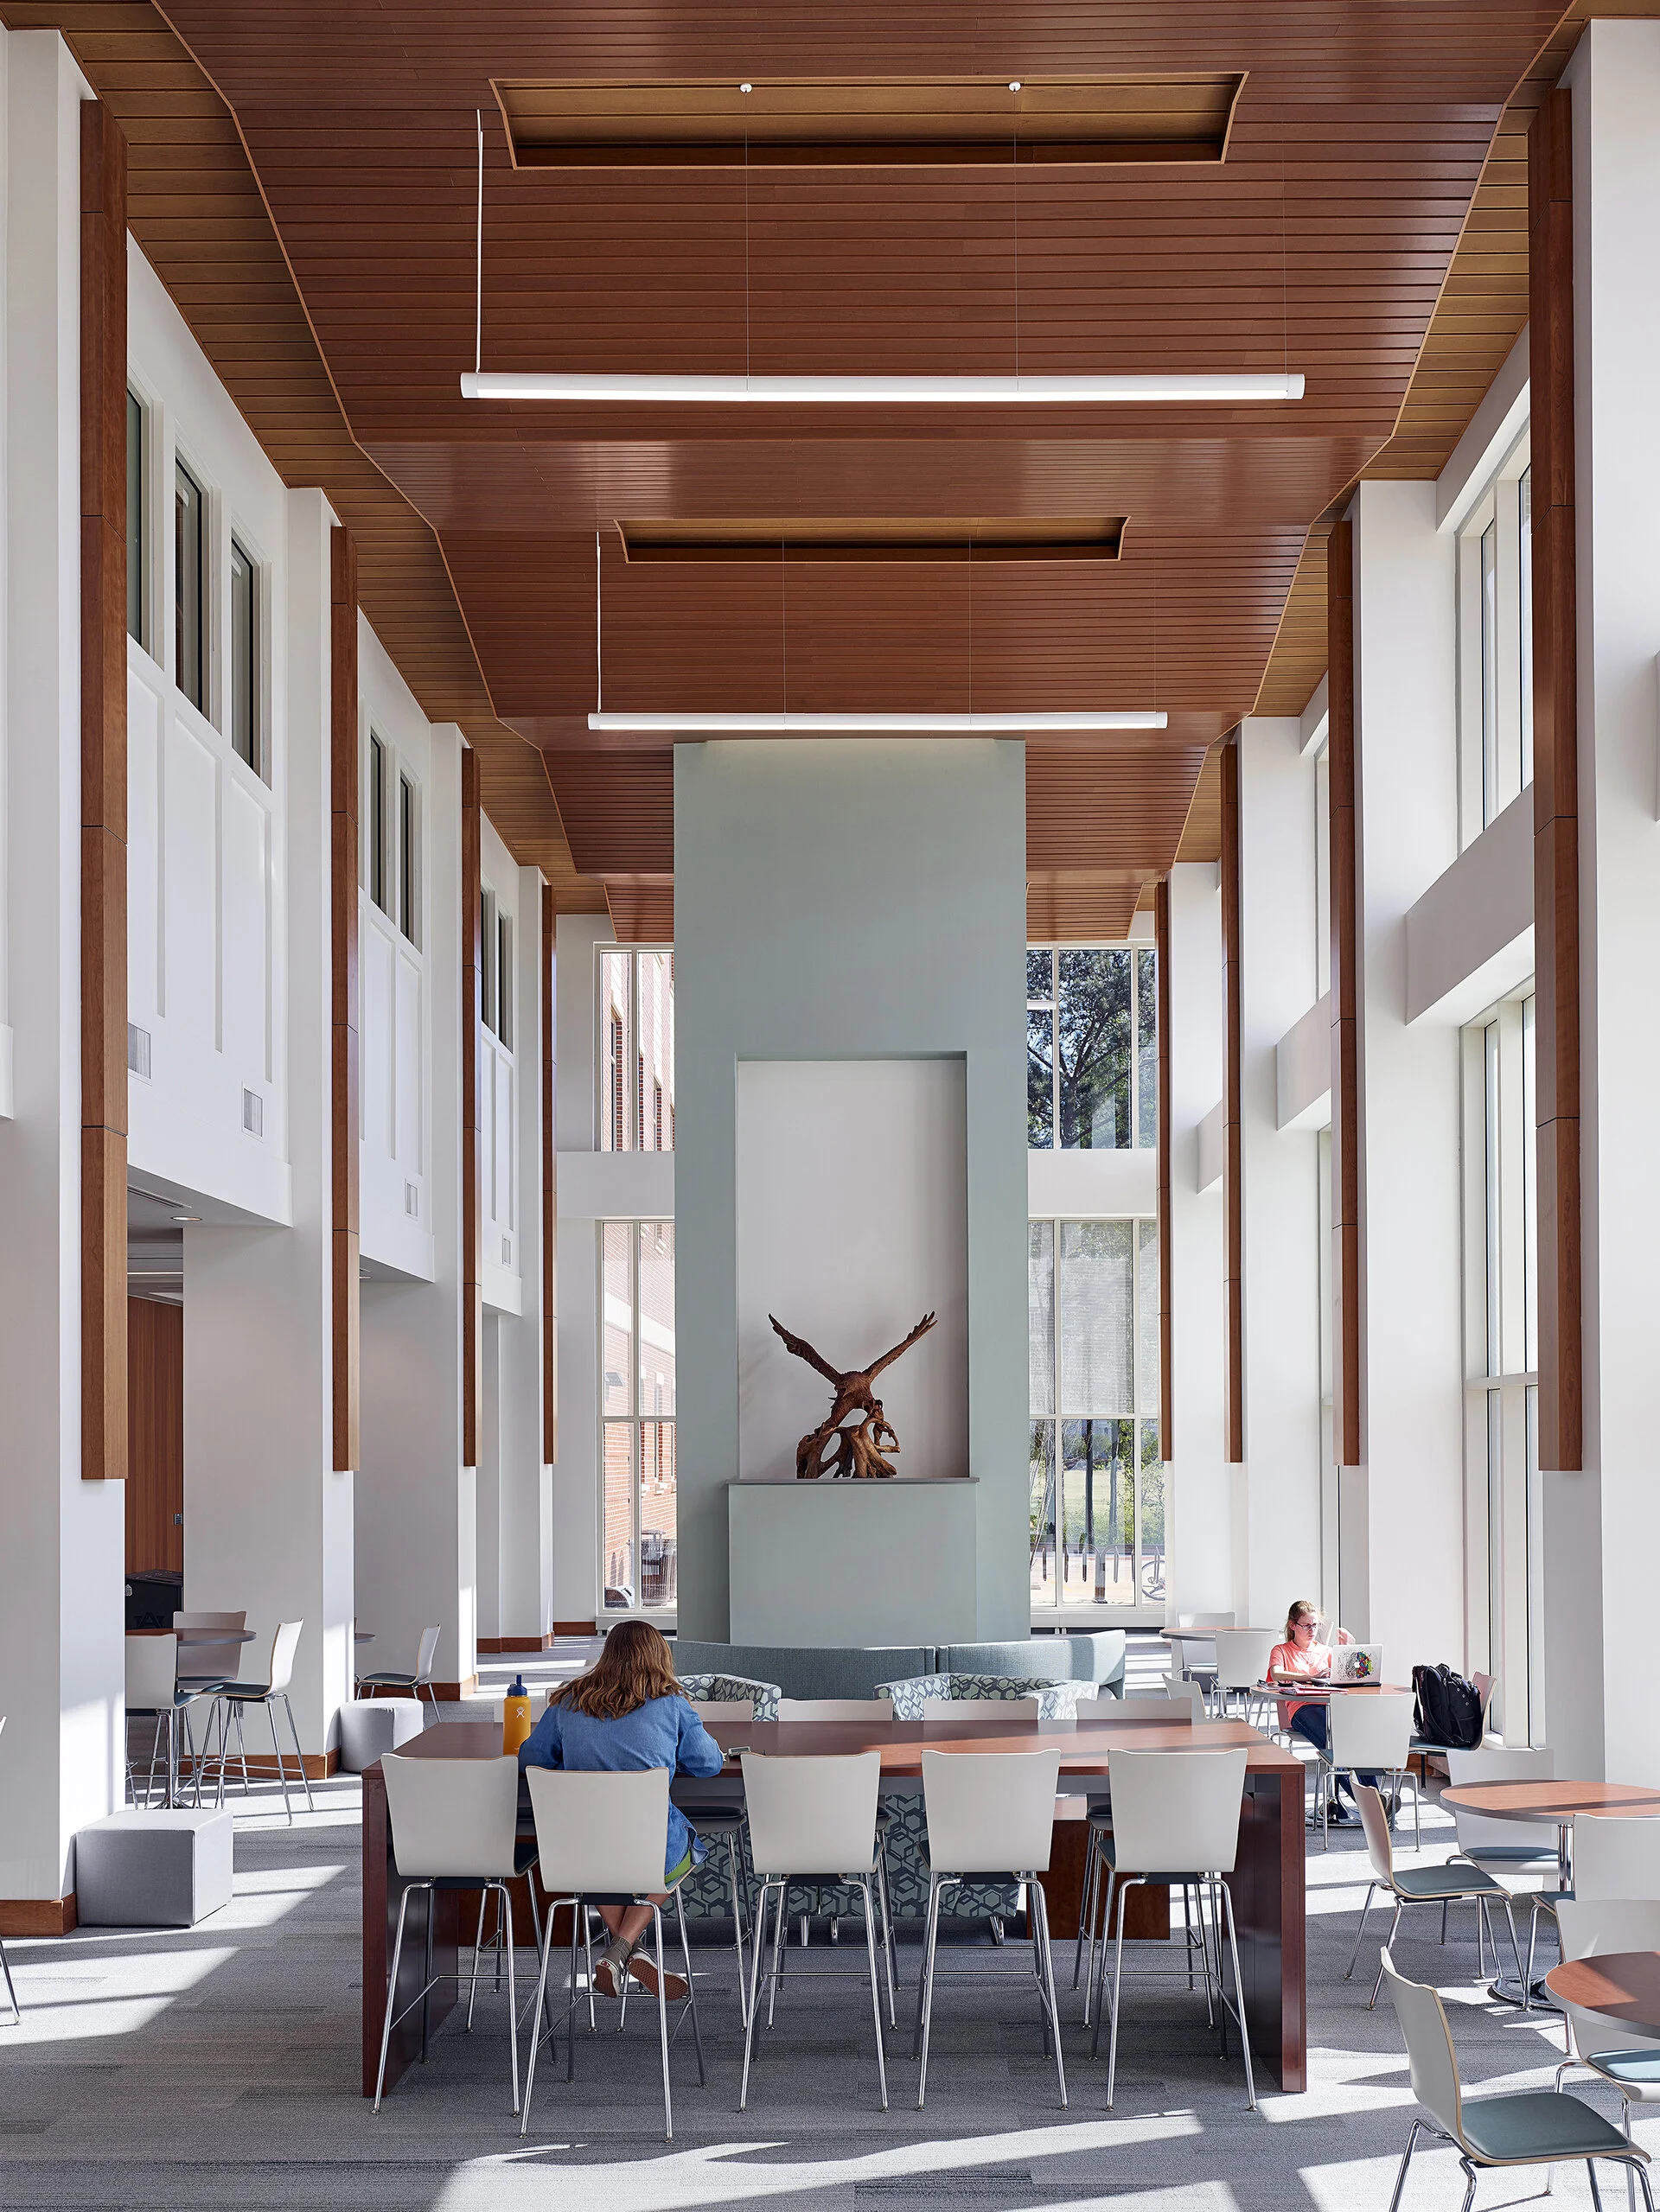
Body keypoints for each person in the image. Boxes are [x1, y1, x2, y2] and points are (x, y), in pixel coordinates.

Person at [517, 1619, 724, 1998]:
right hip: (650, 1847)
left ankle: (618, 1952)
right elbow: (709, 1764)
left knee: (596, 1860)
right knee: (686, 1851)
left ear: (607, 1655)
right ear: (660, 1656)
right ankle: (626, 1946)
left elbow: (530, 1759)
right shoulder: (672, 1704)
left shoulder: (568, 1701)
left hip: (580, 1850)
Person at [1267, 1598, 1380, 1823]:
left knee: (1354, 1742)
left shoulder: (1326, 1651)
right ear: (1293, 1626)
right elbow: (1277, 1673)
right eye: (1306, 1625)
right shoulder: (1281, 1650)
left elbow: (1349, 1674)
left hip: (1331, 1707)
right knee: (1336, 1747)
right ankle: (1372, 1806)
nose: (1312, 1630)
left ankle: (1376, 1801)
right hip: (1302, 1710)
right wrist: (1310, 1677)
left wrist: (1350, 1648)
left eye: (1315, 1625)